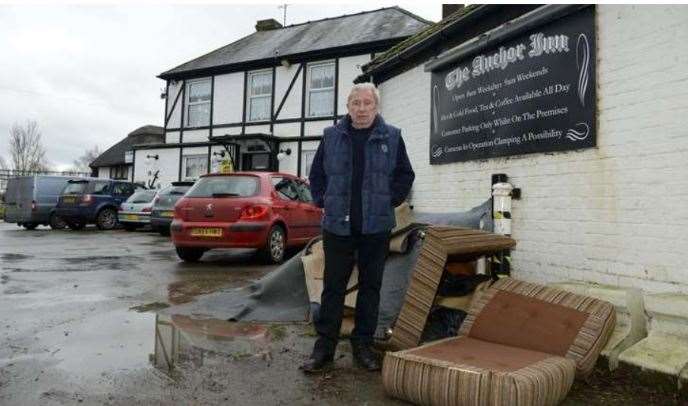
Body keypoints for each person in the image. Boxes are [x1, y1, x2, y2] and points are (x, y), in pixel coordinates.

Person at [301, 83, 415, 373]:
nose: (361, 108)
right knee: (333, 288)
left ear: (376, 107)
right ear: (348, 106)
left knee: (370, 288)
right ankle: (324, 349)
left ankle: (363, 346)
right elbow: (316, 175)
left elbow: (405, 174)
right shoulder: (332, 136)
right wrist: (322, 200)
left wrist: (388, 201)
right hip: (338, 226)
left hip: (375, 228)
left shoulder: (392, 136)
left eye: (367, 103)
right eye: (356, 103)